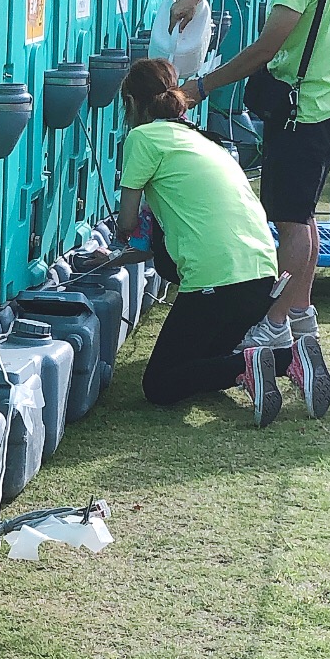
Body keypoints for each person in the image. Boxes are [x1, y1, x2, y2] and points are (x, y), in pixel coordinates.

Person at [162, 0, 330, 418]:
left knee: (290, 221)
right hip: (312, 109)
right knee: (301, 218)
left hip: (303, 113)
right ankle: (298, 315)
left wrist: (197, 87)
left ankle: (272, 327)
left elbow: (266, 48)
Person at [114, 58, 287, 427]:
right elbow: (162, 240)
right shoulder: (200, 138)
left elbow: (128, 223)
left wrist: (117, 238)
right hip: (261, 276)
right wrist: (112, 261)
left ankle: (251, 363)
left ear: (131, 104)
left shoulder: (142, 138)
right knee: (201, 363)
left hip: (217, 279)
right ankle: (289, 358)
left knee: (159, 384)